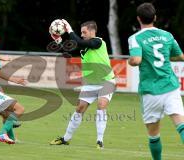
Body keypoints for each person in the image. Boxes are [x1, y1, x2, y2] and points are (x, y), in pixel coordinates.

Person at [128, 3, 184, 160]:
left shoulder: (135, 38)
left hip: (150, 91)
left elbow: (137, 60)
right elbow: (180, 56)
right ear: (155, 18)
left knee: (154, 135)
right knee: (181, 125)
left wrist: (130, 62)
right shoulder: (167, 35)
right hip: (170, 87)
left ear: (139, 19)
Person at [49, 20, 116, 149]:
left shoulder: (98, 41)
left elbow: (79, 42)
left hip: (106, 81)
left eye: (84, 32)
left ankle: (99, 141)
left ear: (92, 31)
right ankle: (66, 138)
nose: (82, 34)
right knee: (80, 108)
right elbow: (66, 53)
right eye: (81, 32)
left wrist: (69, 29)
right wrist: (58, 41)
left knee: (101, 105)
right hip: (90, 83)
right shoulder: (84, 45)